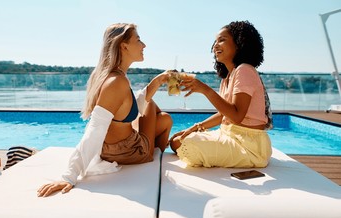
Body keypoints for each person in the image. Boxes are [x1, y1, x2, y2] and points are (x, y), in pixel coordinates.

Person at [38, 23, 172, 197]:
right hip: (130, 151)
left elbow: (130, 109)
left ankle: (157, 148)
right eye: (138, 40)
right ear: (124, 46)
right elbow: (95, 129)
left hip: (111, 148)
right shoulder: (116, 82)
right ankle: (155, 160)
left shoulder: (110, 76)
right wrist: (69, 176)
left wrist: (158, 81)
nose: (144, 45)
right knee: (164, 117)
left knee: (162, 117)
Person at [170, 20, 273, 168]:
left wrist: (206, 90)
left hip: (248, 145)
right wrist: (195, 127)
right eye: (215, 42)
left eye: (222, 40)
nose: (215, 46)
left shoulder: (245, 70)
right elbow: (224, 114)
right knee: (177, 140)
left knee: (186, 144)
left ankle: (250, 158)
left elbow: (237, 116)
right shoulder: (227, 77)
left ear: (239, 43)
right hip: (228, 134)